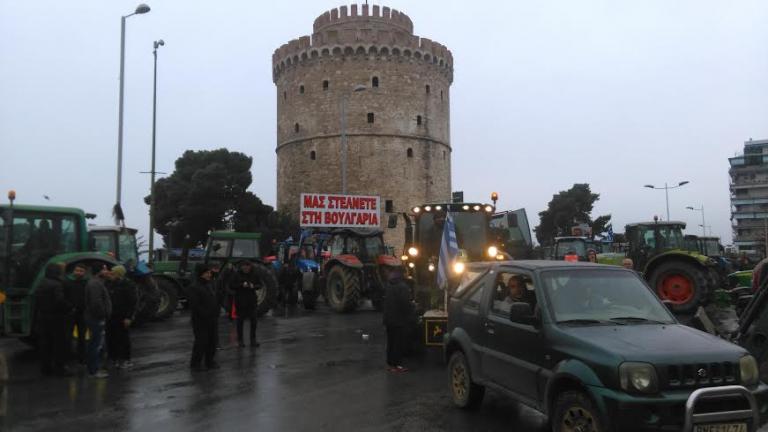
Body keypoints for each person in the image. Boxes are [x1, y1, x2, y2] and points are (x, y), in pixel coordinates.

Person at [35, 263, 74, 376]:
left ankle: (45, 368)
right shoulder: (57, 284)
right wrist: (70, 307)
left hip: (43, 317)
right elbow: (59, 301)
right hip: (57, 318)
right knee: (59, 343)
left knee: (45, 344)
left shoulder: (41, 283)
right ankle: (60, 368)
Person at [105, 265, 138, 369]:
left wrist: (129, 317)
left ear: (119, 274)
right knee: (110, 338)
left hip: (122, 316)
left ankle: (125, 359)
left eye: (113, 273)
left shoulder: (128, 285)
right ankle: (113, 358)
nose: (110, 274)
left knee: (123, 338)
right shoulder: (109, 283)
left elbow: (133, 302)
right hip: (110, 316)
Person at [188, 264, 220, 371]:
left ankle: (209, 362)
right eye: (207, 273)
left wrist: (215, 312)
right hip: (200, 320)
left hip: (212, 319)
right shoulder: (194, 287)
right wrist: (205, 314)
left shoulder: (210, 285)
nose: (209, 275)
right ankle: (196, 364)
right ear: (201, 274)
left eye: (210, 273)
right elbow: (195, 305)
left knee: (213, 341)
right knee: (201, 342)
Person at [83, 264, 113, 378]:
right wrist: (103, 315)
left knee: (95, 343)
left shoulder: (97, 282)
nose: (107, 271)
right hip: (96, 318)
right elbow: (96, 303)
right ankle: (93, 370)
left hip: (94, 317)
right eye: (105, 269)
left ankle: (93, 367)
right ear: (99, 271)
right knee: (95, 344)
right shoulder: (95, 284)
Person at [382, 266, 413, 373]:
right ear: (403, 273)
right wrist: (412, 307)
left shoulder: (389, 284)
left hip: (388, 319)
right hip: (399, 320)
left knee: (390, 342)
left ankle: (390, 364)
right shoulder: (402, 286)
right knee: (398, 343)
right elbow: (405, 304)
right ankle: (397, 365)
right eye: (406, 272)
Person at [229, 260, 262, 348]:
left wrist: (253, 286)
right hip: (240, 300)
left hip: (251, 301)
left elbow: (260, 285)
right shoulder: (236, 275)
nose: (246, 268)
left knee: (254, 321)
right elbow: (231, 285)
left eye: (248, 266)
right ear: (241, 267)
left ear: (250, 267)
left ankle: (253, 340)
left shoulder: (255, 274)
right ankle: (240, 340)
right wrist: (241, 285)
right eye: (244, 266)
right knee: (240, 321)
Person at [63, 263, 88, 364]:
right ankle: (68, 357)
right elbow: (63, 297)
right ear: (73, 271)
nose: (78, 272)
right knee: (67, 336)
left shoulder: (86, 283)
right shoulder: (67, 283)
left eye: (81, 271)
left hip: (82, 313)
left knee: (82, 336)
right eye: (77, 270)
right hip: (70, 313)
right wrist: (70, 307)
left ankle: (82, 357)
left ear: (84, 273)